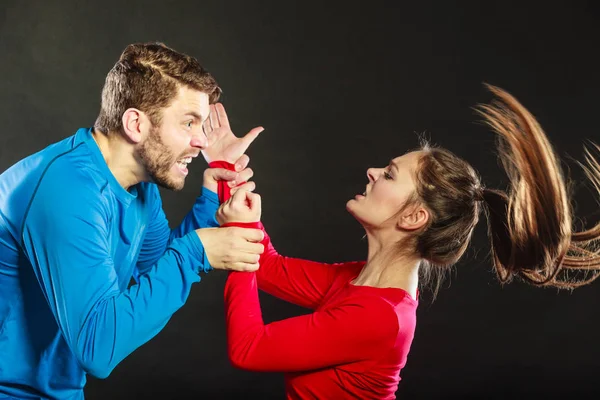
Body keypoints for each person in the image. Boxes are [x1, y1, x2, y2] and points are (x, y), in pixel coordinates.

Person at [210, 84, 600, 399]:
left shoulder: (379, 317)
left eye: (390, 174)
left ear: (414, 217)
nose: (373, 171)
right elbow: (267, 267)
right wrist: (228, 172)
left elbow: (249, 348)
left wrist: (239, 238)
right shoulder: (358, 283)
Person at [0, 42, 265, 399]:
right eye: (189, 122)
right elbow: (99, 348)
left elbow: (153, 275)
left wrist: (208, 201)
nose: (201, 142)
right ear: (135, 123)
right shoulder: (67, 189)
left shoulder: (139, 186)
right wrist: (196, 252)